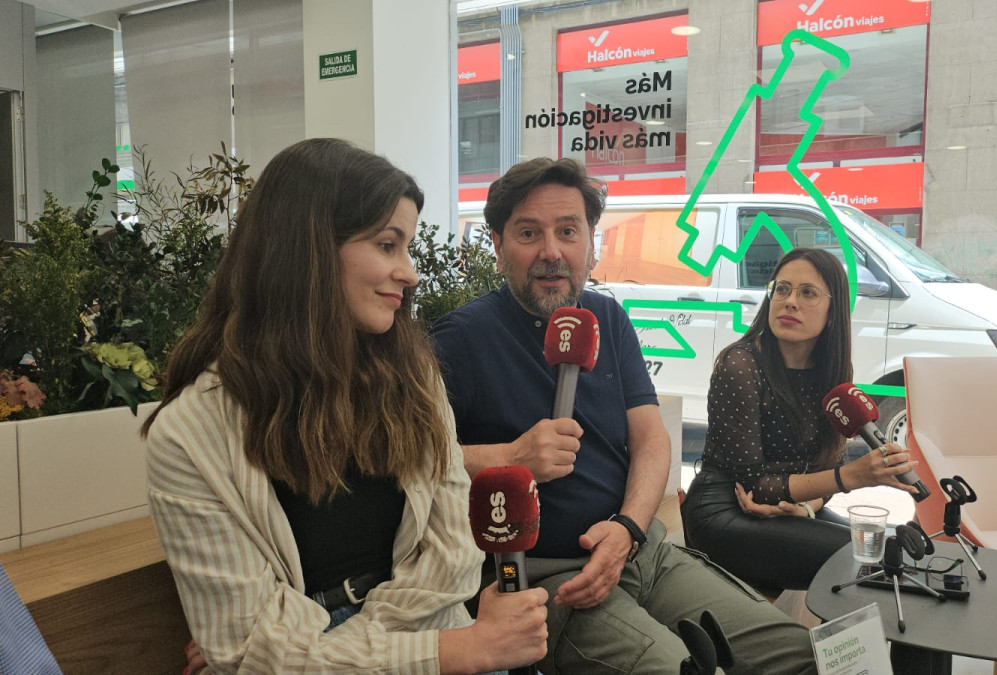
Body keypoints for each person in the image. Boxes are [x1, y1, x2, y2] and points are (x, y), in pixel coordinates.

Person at [142, 138, 547, 673]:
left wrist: (340, 652)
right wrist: (454, 651)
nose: (410, 272)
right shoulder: (189, 434)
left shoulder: (415, 377)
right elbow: (249, 650)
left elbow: (454, 555)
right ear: (306, 250)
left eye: (407, 248)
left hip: (422, 633)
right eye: (387, 245)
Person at [431, 157, 817, 674]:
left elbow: (651, 439)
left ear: (590, 244)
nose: (551, 252)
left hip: (640, 550)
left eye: (568, 231)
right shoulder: (459, 339)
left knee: (801, 653)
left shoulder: (607, 318)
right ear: (498, 249)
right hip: (546, 578)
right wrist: (509, 455)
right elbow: (412, 464)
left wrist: (629, 528)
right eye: (528, 233)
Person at [682, 247, 921, 592]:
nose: (790, 302)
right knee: (874, 559)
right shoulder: (740, 365)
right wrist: (855, 476)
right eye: (782, 289)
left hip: (787, 508)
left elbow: (826, 464)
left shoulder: (833, 372)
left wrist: (807, 507)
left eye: (807, 293)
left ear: (833, 310)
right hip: (724, 512)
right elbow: (753, 486)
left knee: (895, 549)